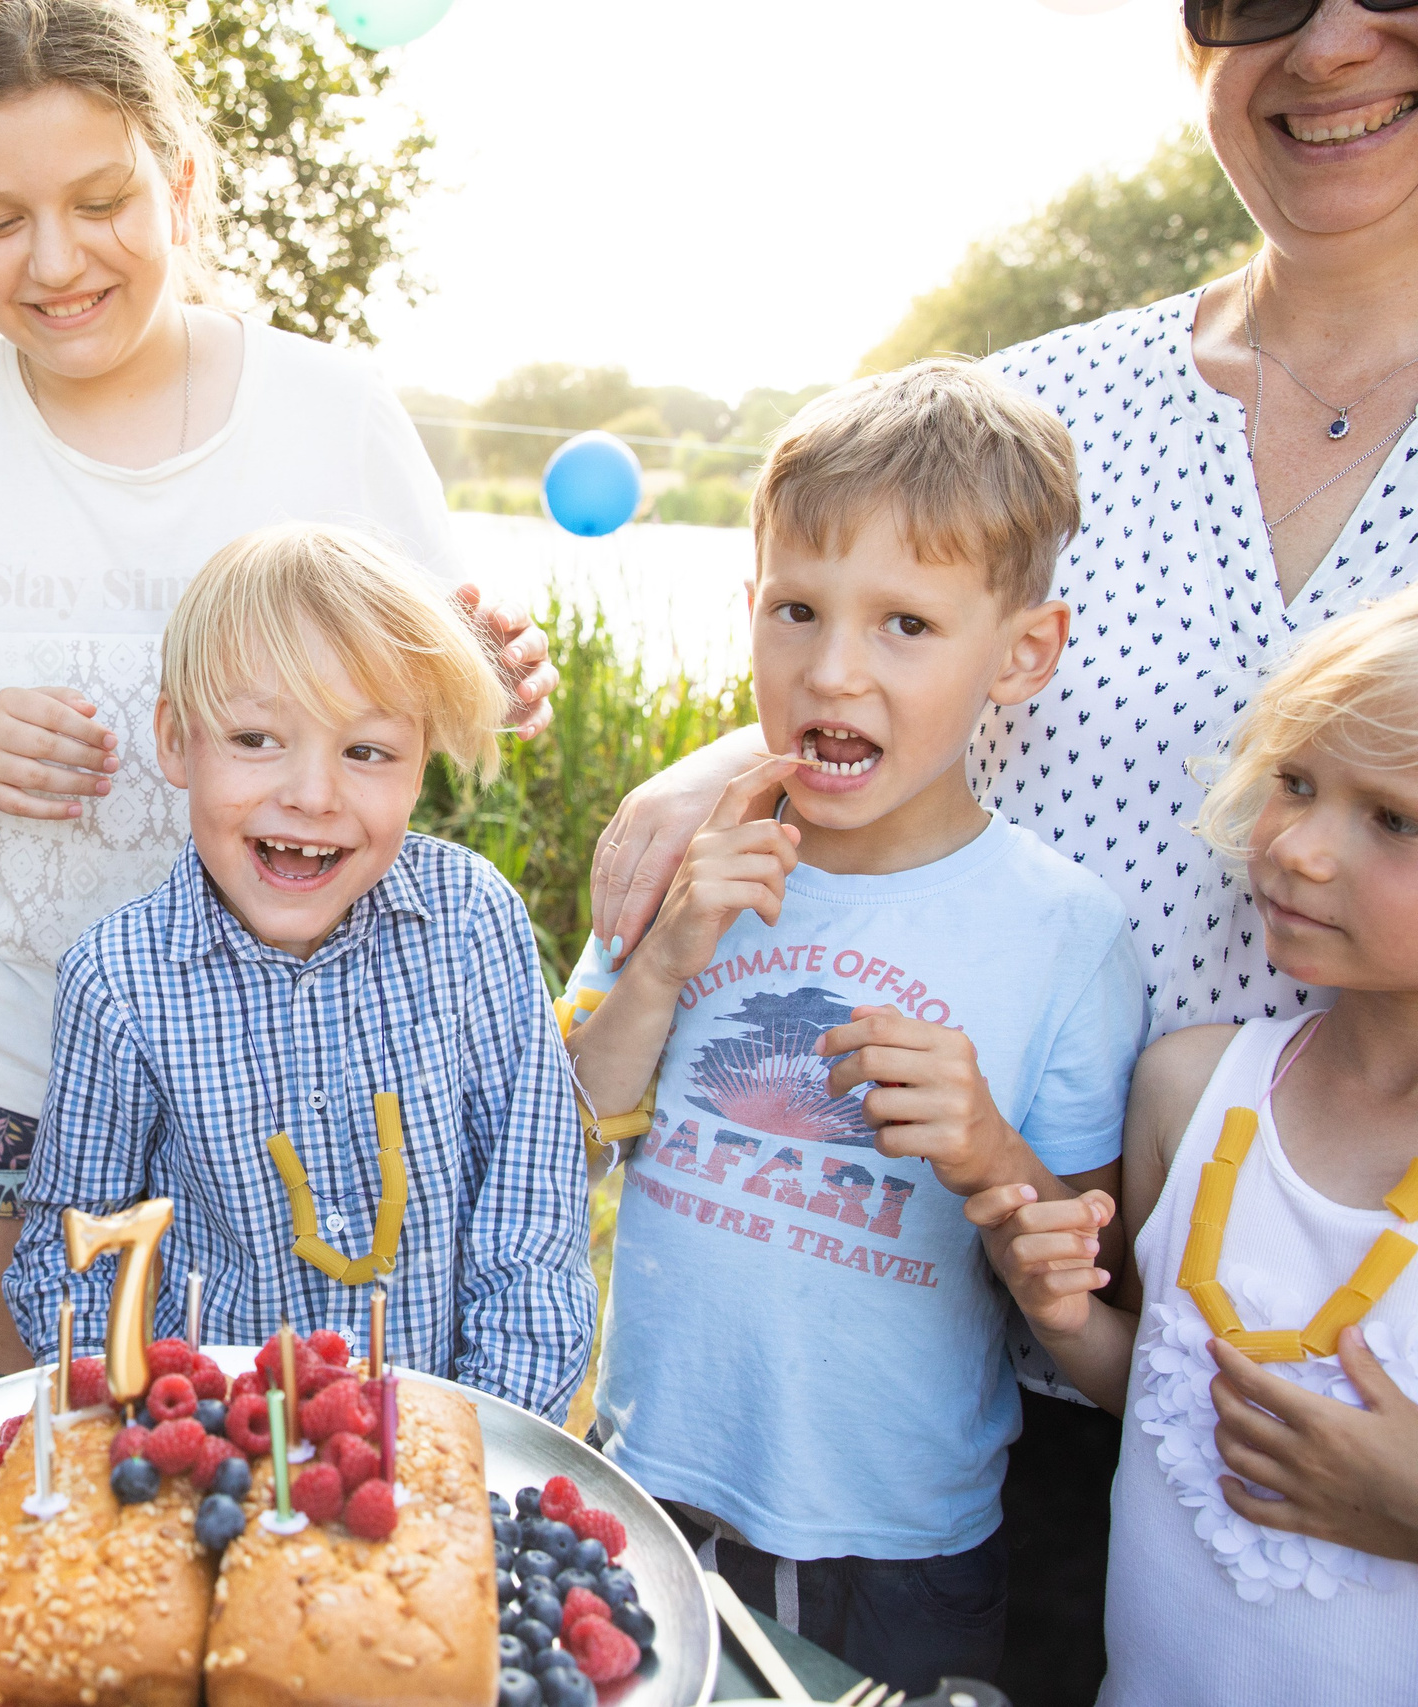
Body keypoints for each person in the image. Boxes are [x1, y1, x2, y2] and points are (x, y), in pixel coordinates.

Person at [582, 10, 1418, 1697]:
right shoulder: (1046, 403)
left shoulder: (1062, 948)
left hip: (1323, 1377)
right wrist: (711, 772)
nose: (1326, 41)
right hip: (988, 1371)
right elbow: (877, 635)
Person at [0, 0, 558, 1371]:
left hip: (290, 1063)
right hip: (15, 1048)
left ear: (184, 181)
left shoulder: (331, 415)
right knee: (43, 1416)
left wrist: (492, 674)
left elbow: (437, 682)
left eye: (101, 200)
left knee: (288, 1418)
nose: (53, 261)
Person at [562, 363, 1148, 1694]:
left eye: (905, 625)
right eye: (799, 609)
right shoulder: (685, 860)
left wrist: (990, 1147)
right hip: (648, 1486)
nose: (833, 668)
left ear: (1022, 653)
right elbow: (554, 1143)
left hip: (905, 1544)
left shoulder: (1067, 933)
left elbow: (1080, 1274)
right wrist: (657, 967)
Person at [2, 523, 593, 1417]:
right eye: (255, 738)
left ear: (422, 760)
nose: (313, 795)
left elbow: (531, 1222)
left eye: (367, 752)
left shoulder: (474, 923)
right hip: (220, 1454)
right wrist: (158, 1414)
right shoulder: (119, 982)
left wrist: (477, 1434)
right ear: (175, 739)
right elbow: (72, 1251)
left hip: (437, 1445)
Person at [968, 586, 1418, 1704]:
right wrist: (1063, 1314)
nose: (1299, 848)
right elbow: (1164, 1400)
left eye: (1394, 819)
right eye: (1296, 783)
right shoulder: (1191, 1090)